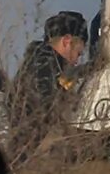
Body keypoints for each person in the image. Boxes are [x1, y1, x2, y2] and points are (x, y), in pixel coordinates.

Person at [10, 11, 88, 158]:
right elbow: (47, 106)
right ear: (66, 41)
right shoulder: (44, 65)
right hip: (20, 155)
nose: (77, 61)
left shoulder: (40, 62)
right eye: (78, 53)